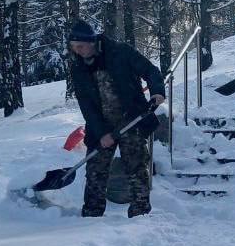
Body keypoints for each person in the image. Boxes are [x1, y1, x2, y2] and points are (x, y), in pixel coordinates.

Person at [68, 18, 166, 218]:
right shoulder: (78, 67)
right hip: (100, 126)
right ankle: (91, 216)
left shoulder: (120, 52)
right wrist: (102, 133)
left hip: (132, 120)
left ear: (91, 41)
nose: (77, 51)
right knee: (95, 171)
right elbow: (86, 104)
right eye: (74, 47)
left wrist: (157, 91)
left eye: (80, 46)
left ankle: (140, 215)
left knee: (137, 167)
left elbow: (150, 70)